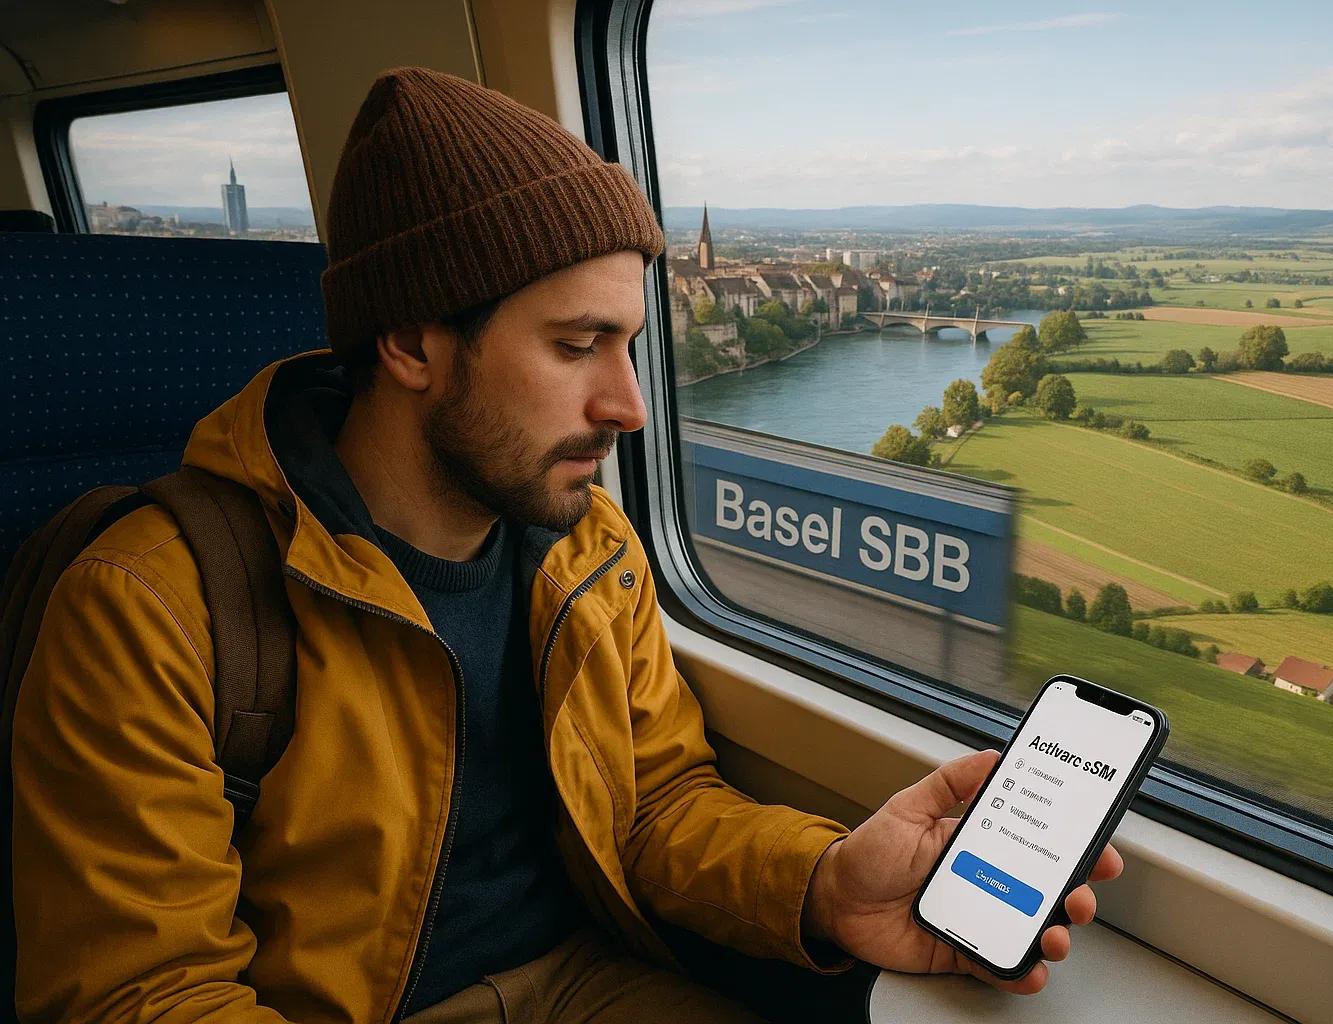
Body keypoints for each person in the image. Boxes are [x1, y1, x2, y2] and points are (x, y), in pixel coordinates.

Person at [10, 67, 1119, 1024]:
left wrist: (828, 883)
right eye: (578, 345)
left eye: (628, 345)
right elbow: (146, 995)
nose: (630, 406)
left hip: (581, 982)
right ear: (409, 339)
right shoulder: (149, 604)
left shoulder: (587, 547)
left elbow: (654, 804)